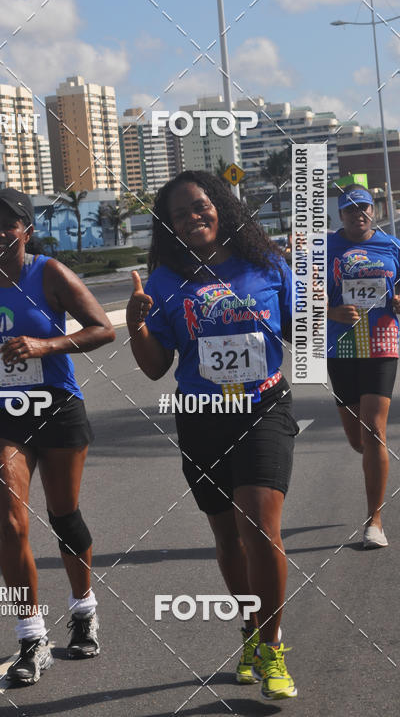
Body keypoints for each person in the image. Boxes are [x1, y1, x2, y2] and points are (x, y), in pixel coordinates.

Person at [127, 170, 298, 701]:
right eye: (180, 215)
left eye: (200, 206)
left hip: (262, 405)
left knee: (259, 525)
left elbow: (302, 333)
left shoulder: (267, 264)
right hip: (201, 414)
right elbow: (156, 367)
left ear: (220, 206)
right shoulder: (163, 282)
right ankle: (249, 632)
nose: (193, 217)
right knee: (227, 536)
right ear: (169, 227)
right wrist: (135, 325)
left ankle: (272, 648)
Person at [0, 188, 115, 684]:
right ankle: (31, 638)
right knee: (10, 523)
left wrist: (46, 344)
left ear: (27, 229)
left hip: (56, 405)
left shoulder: (48, 273)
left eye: (8, 224)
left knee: (64, 516)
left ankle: (84, 607)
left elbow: (103, 329)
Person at [326, 185, 400, 548]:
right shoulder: (324, 249)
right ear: (340, 215)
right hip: (340, 346)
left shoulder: (392, 246)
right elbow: (303, 300)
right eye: (350, 209)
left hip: (382, 341)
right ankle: (372, 457)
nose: (359, 214)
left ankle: (375, 521)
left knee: (374, 431)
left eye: (364, 208)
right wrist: (330, 311)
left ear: (374, 210)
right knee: (359, 440)